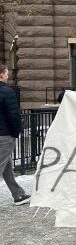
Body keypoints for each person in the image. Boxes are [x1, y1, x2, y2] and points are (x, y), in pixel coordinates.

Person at [0, 64, 29, 206]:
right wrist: (16, 132)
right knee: (2, 165)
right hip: (4, 135)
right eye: (6, 73)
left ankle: (18, 194)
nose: (7, 75)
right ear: (1, 75)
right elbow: (13, 115)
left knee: (6, 167)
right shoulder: (7, 91)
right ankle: (18, 194)